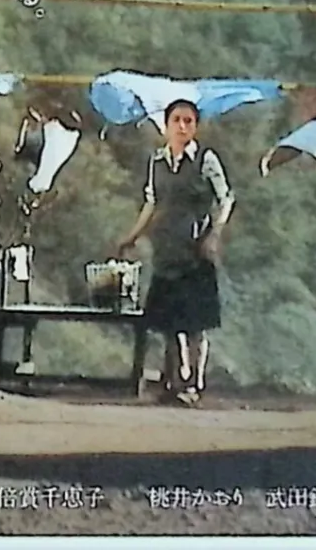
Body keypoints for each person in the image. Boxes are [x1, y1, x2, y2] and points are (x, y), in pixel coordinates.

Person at [117, 98, 234, 406]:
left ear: (195, 127)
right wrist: (132, 236)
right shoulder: (157, 162)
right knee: (169, 323)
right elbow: (152, 202)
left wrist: (215, 233)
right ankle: (172, 381)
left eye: (188, 121)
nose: (182, 127)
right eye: (177, 121)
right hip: (166, 250)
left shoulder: (205, 160)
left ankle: (194, 382)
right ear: (166, 126)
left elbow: (225, 199)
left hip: (195, 252)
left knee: (195, 324)